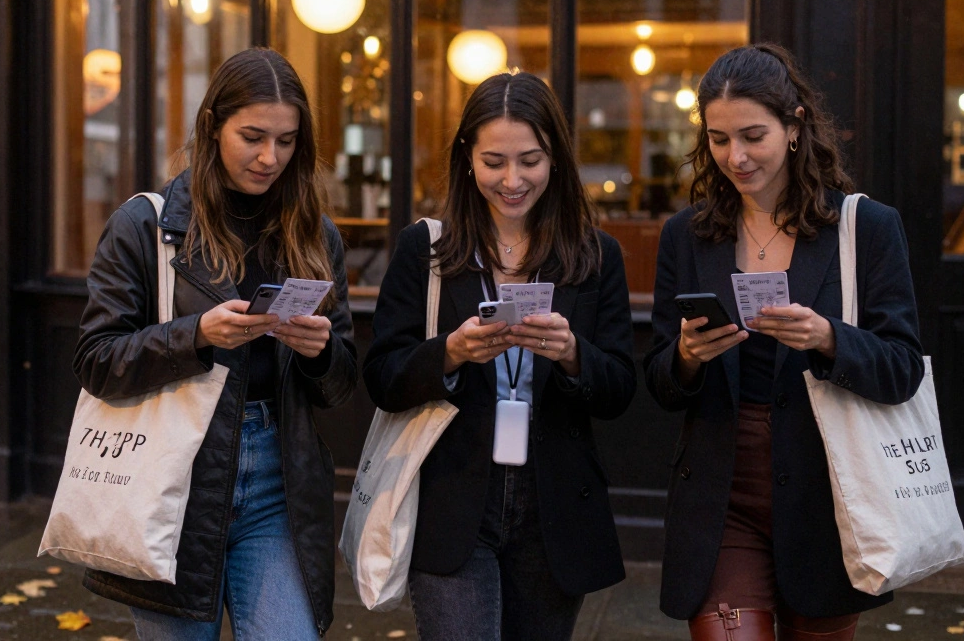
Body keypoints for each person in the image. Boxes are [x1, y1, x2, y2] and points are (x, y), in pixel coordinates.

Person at [73, 48, 358, 640]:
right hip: (174, 479)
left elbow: (341, 382)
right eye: (252, 136)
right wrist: (196, 336)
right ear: (212, 127)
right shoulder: (146, 226)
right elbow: (96, 360)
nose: (269, 157)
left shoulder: (314, 233)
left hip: (278, 478)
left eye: (285, 141)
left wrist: (320, 352)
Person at [644, 43, 925, 641]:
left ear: (794, 126)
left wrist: (828, 339)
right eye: (719, 140)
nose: (736, 157)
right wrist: (687, 358)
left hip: (829, 492)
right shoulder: (688, 237)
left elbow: (903, 369)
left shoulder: (865, 228)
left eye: (752, 136)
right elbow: (661, 383)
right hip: (722, 494)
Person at [363, 71, 637, 640]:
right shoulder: (428, 249)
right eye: (494, 162)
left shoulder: (594, 255)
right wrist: (451, 353)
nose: (512, 180)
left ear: (556, 158)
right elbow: (383, 377)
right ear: (467, 158)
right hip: (454, 502)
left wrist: (570, 354)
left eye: (529, 161)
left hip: (554, 506)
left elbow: (618, 389)